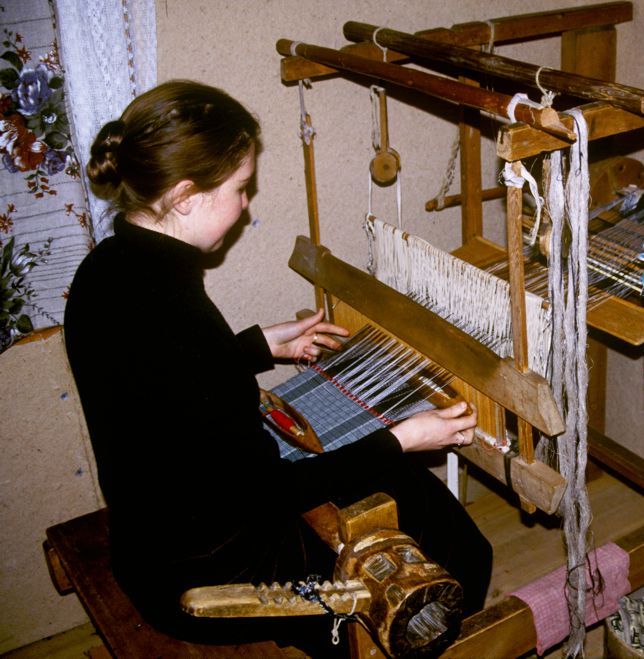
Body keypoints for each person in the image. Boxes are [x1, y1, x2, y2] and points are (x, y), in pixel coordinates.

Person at [63, 80, 492, 654]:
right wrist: (402, 438)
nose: (246, 204)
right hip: (211, 575)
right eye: (240, 188)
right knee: (456, 546)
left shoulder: (104, 272)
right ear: (185, 195)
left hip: (150, 547)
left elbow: (156, 385)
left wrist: (257, 346)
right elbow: (269, 493)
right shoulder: (177, 309)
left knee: (404, 493)